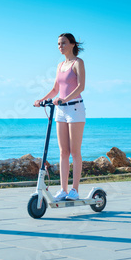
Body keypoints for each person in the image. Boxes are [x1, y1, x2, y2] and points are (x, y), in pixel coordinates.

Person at [34, 33, 86, 201]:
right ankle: (63, 190)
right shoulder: (60, 65)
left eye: (63, 43)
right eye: (58, 44)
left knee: (75, 151)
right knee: (63, 151)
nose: (60, 46)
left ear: (72, 44)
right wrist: (42, 100)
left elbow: (80, 87)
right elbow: (56, 88)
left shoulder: (78, 63)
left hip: (75, 108)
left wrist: (65, 99)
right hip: (60, 110)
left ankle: (74, 191)